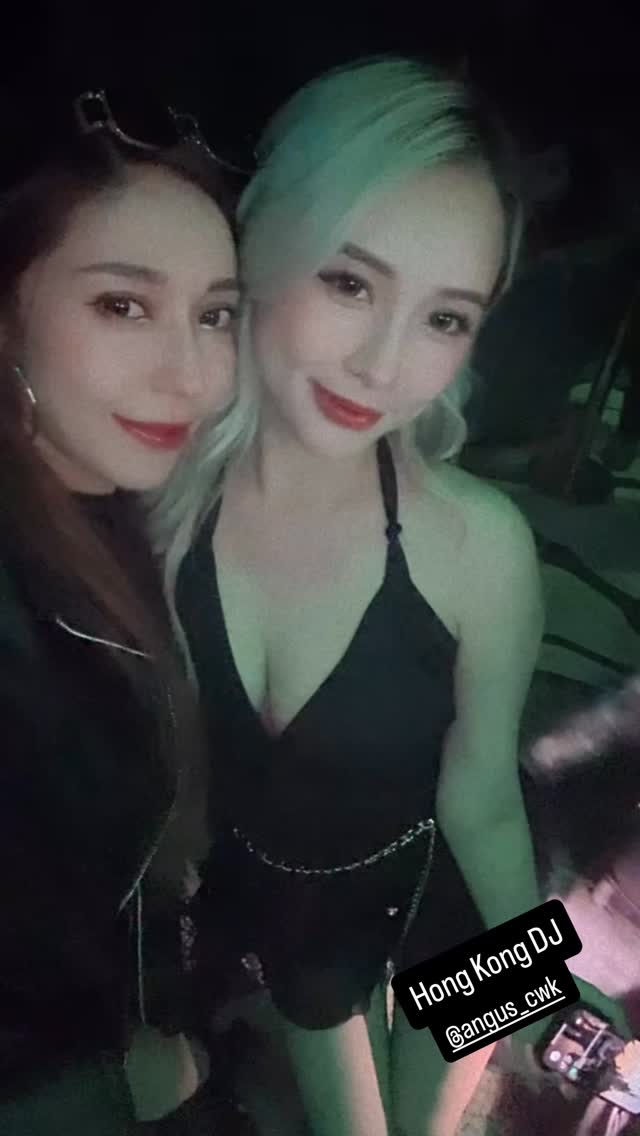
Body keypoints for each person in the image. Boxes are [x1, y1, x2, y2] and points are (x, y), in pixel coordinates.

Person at [152, 56, 624, 1136]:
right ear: (259, 239)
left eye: (444, 318)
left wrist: (531, 980)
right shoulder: (159, 513)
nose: (381, 363)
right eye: (351, 284)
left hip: (455, 910)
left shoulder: (477, 549)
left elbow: (483, 797)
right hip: (300, 926)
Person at [0, 86, 241, 1134]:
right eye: (122, 306)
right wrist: (121, 1080)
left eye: (215, 315)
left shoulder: (100, 497)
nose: (191, 376)